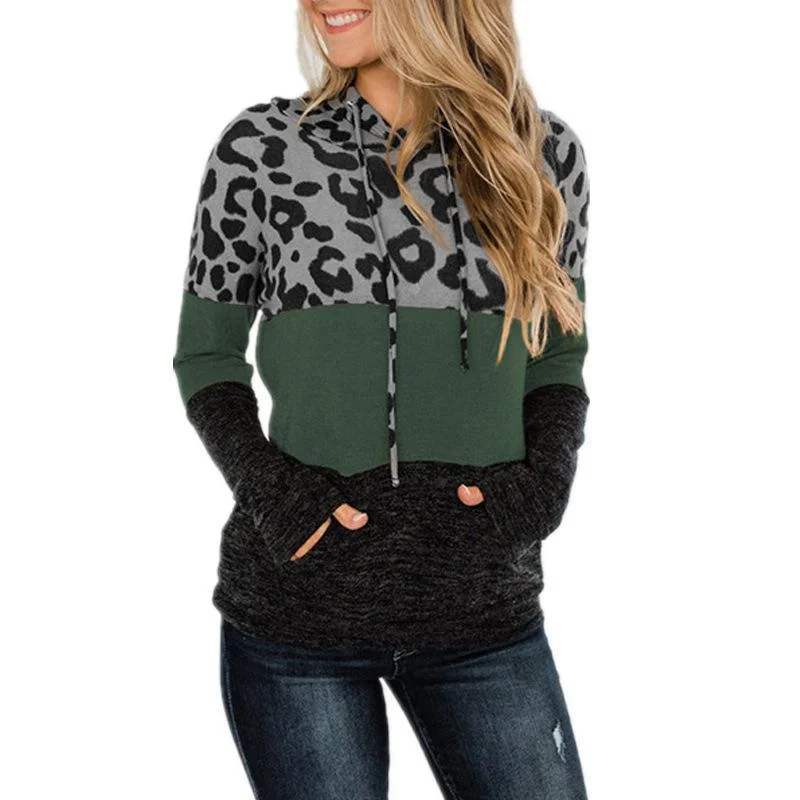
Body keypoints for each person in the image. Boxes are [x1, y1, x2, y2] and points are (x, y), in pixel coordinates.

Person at [172, 1, 592, 797]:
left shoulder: (540, 154)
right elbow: (207, 356)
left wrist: (541, 490)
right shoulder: (263, 149)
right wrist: (281, 499)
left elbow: (557, 353)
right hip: (297, 626)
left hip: (484, 617)